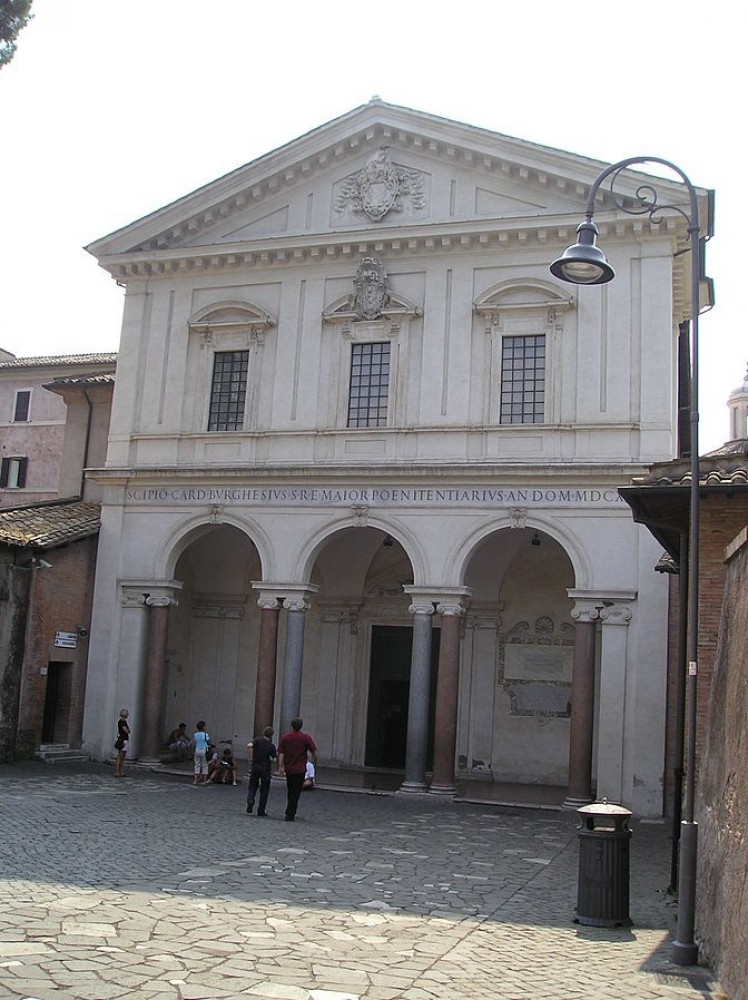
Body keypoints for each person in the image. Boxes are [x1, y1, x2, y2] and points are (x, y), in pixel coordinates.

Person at [277, 717, 317, 822]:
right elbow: (314, 751)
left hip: (289, 768)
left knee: (291, 790)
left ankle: (290, 810)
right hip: (300, 768)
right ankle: (290, 812)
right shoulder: (305, 737)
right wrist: (316, 761)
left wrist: (280, 766)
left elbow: (281, 752)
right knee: (296, 791)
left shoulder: (286, 737)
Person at [246, 726, 277, 816]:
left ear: (264, 733)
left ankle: (250, 799)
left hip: (255, 766)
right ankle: (261, 810)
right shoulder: (271, 746)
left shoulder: (257, 740)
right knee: (264, 790)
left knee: (252, 786)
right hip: (265, 769)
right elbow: (273, 759)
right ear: (271, 735)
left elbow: (249, 746)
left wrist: (250, 758)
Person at [192, 721, 210, 785]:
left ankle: (195, 780)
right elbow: (208, 741)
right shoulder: (205, 734)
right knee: (204, 765)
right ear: (203, 727)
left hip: (197, 749)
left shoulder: (195, 734)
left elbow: (195, 741)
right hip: (204, 750)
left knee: (197, 764)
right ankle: (204, 781)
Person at [114, 708, 130, 778]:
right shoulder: (122, 722)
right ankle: (117, 772)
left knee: (122, 756)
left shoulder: (123, 721)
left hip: (124, 739)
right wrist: (128, 730)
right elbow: (127, 731)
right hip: (123, 740)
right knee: (120, 756)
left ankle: (121, 772)